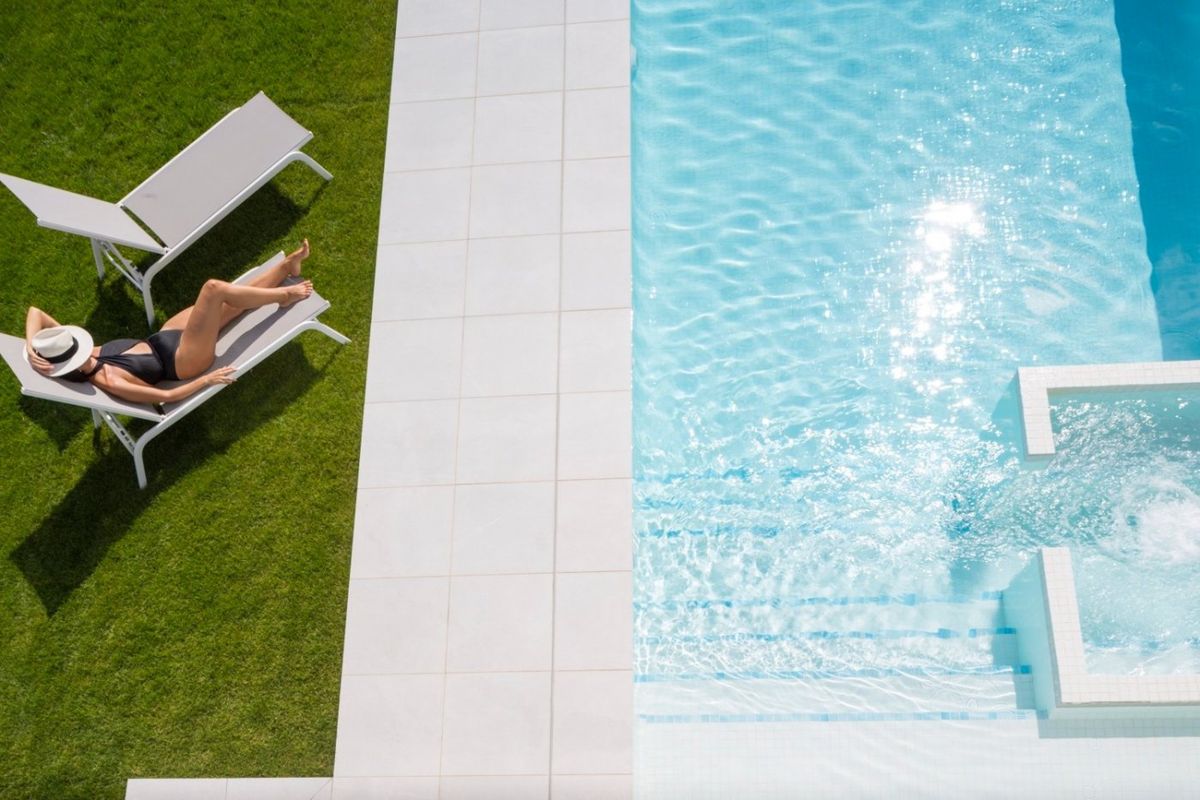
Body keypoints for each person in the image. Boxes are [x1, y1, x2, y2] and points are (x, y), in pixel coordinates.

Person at [25, 240, 314, 405]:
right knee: (213, 289)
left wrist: (30, 346)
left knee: (230, 304)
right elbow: (165, 395)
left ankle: (285, 268)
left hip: (164, 338)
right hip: (183, 362)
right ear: (72, 365)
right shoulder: (109, 379)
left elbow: (36, 312)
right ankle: (284, 296)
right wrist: (205, 380)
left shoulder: (90, 354)